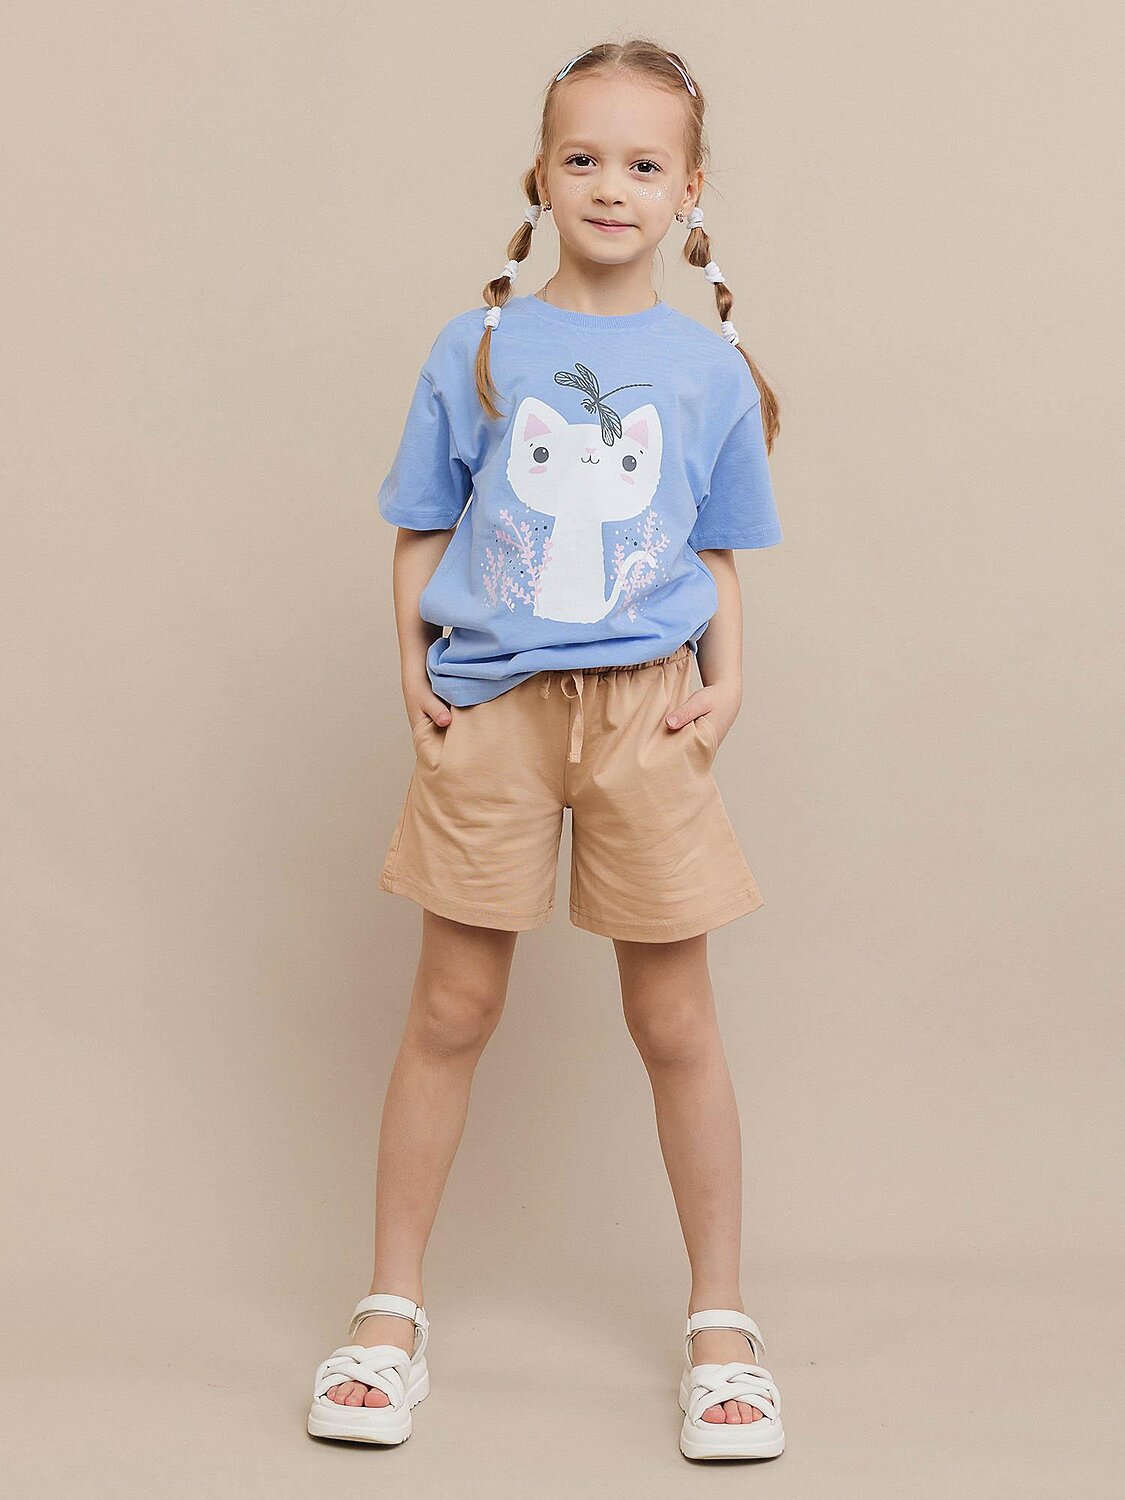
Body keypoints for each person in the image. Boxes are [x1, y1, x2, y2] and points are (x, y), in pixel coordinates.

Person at [308, 37, 786, 1462]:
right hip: (495, 712)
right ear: (539, 175)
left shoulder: (705, 367)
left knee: (676, 1022)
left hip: (646, 711)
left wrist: (729, 682)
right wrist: (412, 669)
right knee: (450, 1009)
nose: (609, 186)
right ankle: (388, 1313)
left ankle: (722, 1329)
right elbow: (422, 525)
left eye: (643, 164)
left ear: (689, 192)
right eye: (582, 158)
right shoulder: (479, 348)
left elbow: (713, 548)